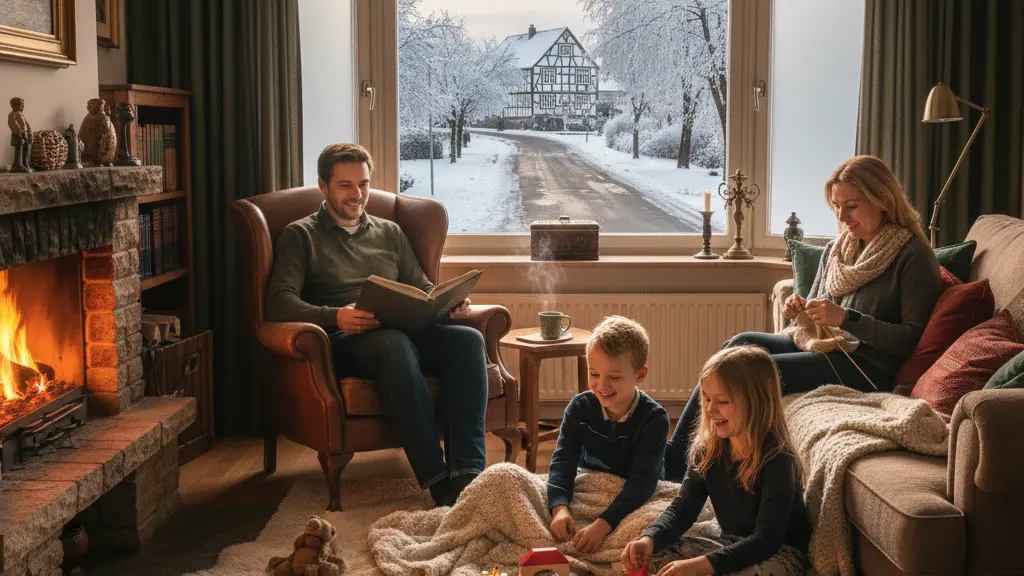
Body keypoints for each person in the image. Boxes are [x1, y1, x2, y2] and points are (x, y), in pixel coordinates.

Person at [665, 155, 941, 478]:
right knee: (739, 345)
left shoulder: (913, 256)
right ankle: (674, 456)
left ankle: (702, 469)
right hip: (823, 347)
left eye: (850, 206)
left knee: (757, 372)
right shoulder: (842, 248)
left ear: (882, 199)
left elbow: (910, 337)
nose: (841, 216)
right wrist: (801, 310)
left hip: (865, 367)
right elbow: (818, 307)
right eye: (836, 207)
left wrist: (846, 319)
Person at [266, 143, 484, 507]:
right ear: (323, 186)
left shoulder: (390, 232)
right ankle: (436, 479)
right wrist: (335, 315)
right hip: (345, 340)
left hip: (402, 330)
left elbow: (423, 286)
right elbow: (279, 302)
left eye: (364, 184)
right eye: (346, 186)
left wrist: (449, 304)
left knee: (467, 340)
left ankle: (468, 475)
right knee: (392, 344)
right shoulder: (299, 235)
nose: (358, 195)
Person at [622, 346, 811, 576]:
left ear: (756, 402)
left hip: (780, 553)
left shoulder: (778, 459)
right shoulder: (708, 452)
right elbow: (683, 508)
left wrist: (702, 565)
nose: (710, 409)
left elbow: (766, 539)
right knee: (651, 556)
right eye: (707, 399)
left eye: (722, 401)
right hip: (730, 544)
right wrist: (649, 538)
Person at [547, 316, 670, 553]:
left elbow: (642, 483)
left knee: (650, 531)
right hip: (590, 488)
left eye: (614, 377)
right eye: (594, 374)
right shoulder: (579, 408)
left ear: (640, 375)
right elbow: (563, 462)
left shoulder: (654, 419)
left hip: (634, 498)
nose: (602, 385)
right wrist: (559, 508)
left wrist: (603, 525)